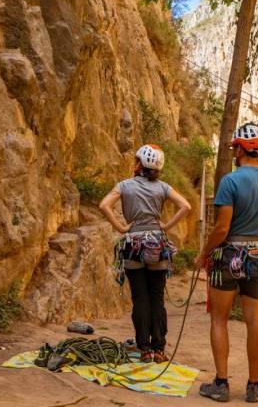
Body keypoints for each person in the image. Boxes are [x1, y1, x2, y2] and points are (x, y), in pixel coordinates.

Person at [196, 123, 258, 403]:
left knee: (219, 319)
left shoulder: (230, 182)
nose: (233, 151)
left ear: (241, 148)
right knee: (255, 320)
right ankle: (253, 385)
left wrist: (203, 253)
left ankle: (221, 384)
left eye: (234, 147)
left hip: (229, 255)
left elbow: (221, 228)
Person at [99, 144, 191, 363]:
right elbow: (185, 206)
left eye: (136, 160)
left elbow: (104, 205)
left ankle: (145, 349)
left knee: (140, 298)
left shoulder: (124, 186)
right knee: (156, 298)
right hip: (157, 245)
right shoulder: (163, 188)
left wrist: (121, 228)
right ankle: (159, 349)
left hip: (133, 245)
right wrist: (166, 226)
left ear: (140, 164)